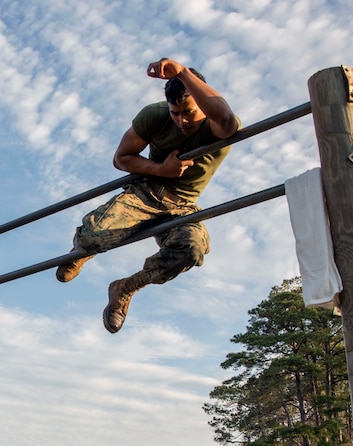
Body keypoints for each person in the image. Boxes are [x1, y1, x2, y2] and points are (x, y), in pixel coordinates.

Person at [55, 57, 240, 334]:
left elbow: (226, 120)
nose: (182, 120)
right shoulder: (154, 115)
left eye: (188, 112)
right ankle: (84, 251)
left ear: (201, 101)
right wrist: (161, 169)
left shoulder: (217, 123)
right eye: (175, 113)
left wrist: (182, 72)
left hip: (182, 206)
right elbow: (121, 158)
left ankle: (125, 289)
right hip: (146, 192)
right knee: (92, 237)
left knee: (191, 250)